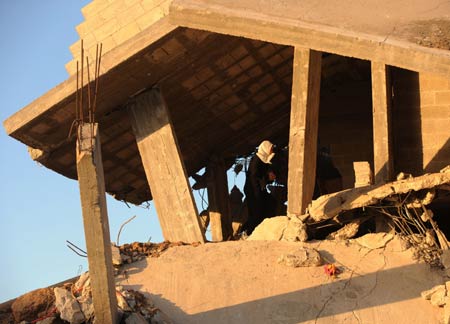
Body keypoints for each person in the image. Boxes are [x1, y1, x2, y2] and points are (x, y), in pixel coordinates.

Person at [242, 140, 277, 235]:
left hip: (258, 190)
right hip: (252, 190)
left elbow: (262, 177)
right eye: (270, 149)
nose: (271, 151)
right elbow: (254, 177)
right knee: (256, 213)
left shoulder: (264, 160)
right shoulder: (256, 160)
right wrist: (267, 177)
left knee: (268, 205)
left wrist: (270, 178)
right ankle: (248, 232)